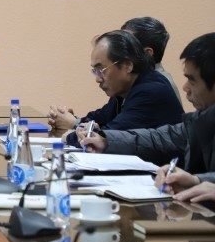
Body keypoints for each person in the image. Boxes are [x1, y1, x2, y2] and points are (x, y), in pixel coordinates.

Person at [80, 33, 215, 203]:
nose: (185, 88)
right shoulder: (202, 118)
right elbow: (161, 138)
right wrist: (107, 141)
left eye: (192, 81)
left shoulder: (151, 89)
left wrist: (199, 181)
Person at [48, 30, 183, 146]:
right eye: (95, 71)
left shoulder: (151, 91)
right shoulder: (124, 91)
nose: (97, 79)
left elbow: (105, 138)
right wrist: (80, 124)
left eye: (101, 70)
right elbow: (99, 118)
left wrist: (71, 136)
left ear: (127, 66)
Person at [121, 16, 181, 102]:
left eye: (126, 45)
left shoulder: (158, 87)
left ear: (148, 53)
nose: (118, 50)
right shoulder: (136, 78)